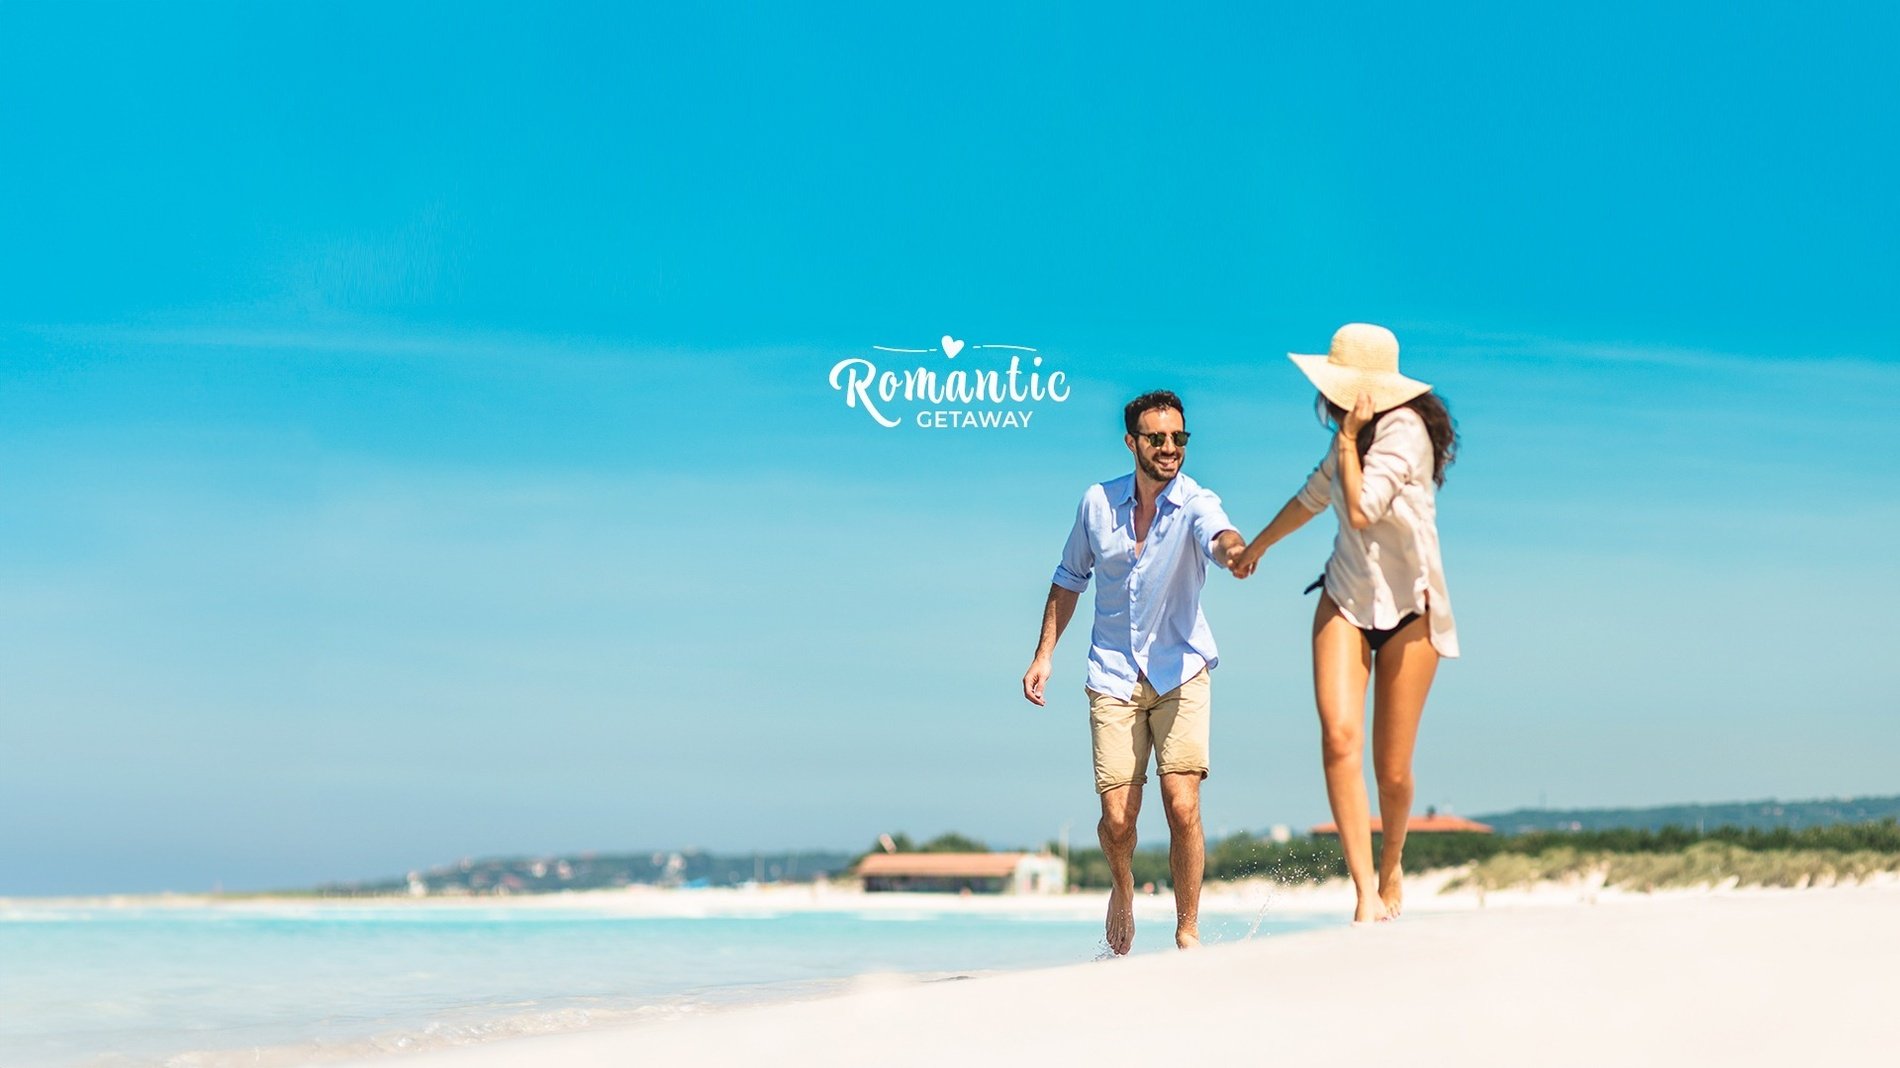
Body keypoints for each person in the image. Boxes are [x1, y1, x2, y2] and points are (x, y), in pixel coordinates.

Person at [1232, 324, 1460, 923]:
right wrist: (1256, 547)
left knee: (1392, 769)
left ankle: (1392, 864)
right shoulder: (1347, 442)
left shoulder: (1403, 433)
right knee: (1338, 740)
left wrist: (1351, 436)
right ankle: (1363, 892)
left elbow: (1359, 511)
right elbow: (1312, 499)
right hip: (1345, 598)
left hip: (1412, 608)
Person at [1022, 390, 1248, 954]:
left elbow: (1220, 536)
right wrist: (1044, 654)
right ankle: (1122, 884)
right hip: (1113, 676)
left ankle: (1187, 929)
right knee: (1119, 821)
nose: (1170, 448)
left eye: (1179, 438)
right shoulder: (1097, 504)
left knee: (1182, 803)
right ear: (1132, 442)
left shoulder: (1196, 501)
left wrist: (1235, 552)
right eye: (1157, 438)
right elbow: (1069, 578)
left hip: (1181, 669)